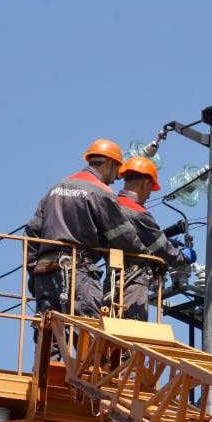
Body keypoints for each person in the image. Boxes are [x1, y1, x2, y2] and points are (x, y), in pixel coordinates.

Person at [25, 139, 147, 331]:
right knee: (89, 338)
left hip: (44, 274)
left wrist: (33, 269)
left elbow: (32, 231)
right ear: (109, 163)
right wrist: (145, 255)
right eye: (116, 170)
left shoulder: (55, 188)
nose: (116, 179)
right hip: (78, 273)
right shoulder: (101, 192)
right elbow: (122, 235)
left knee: (48, 339)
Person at [114, 156, 196, 320]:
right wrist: (183, 257)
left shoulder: (112, 205)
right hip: (133, 283)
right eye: (151, 189)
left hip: (112, 281)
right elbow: (161, 247)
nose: (150, 195)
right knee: (132, 334)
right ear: (145, 183)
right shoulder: (137, 212)